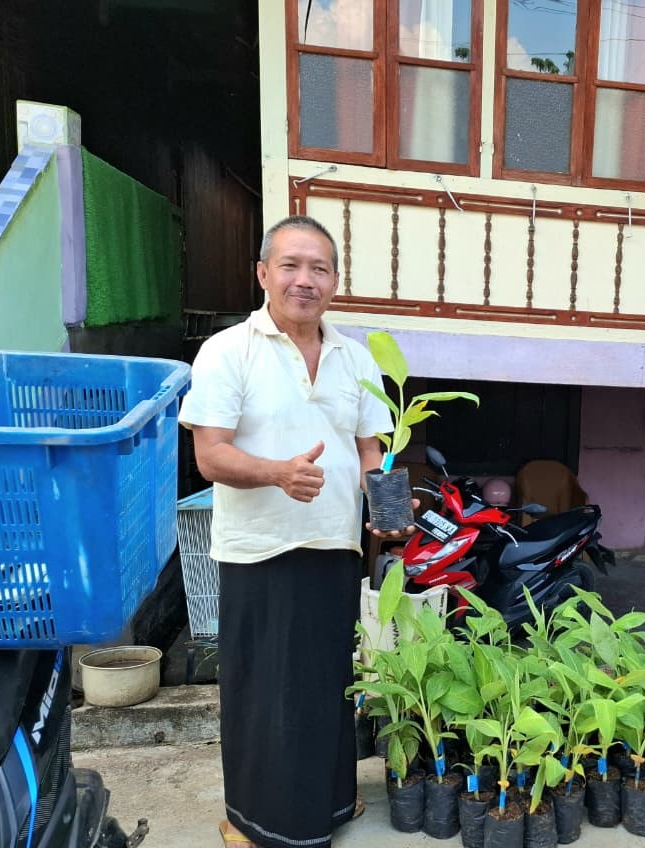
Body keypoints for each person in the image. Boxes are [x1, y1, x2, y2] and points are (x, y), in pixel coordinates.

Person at [181, 215, 397, 847]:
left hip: (334, 545)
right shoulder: (227, 351)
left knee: (328, 681)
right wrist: (277, 474)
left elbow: (370, 446)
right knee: (263, 690)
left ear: (334, 280)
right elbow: (210, 455)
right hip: (259, 549)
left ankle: (332, 801)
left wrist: (383, 490)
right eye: (291, 266)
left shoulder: (354, 357)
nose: (306, 280)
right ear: (263, 274)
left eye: (320, 268)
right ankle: (256, 820)